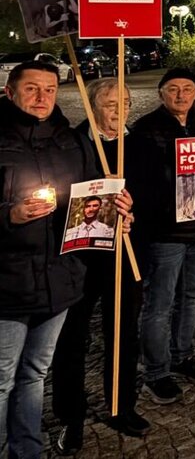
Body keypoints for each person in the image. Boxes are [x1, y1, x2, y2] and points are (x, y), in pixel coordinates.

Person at [0, 60, 131, 458]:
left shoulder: (69, 140)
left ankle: (28, 450)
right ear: (10, 92)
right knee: (2, 379)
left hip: (60, 279)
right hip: (8, 281)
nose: (42, 98)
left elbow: (93, 194)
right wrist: (9, 214)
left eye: (50, 89)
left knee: (36, 373)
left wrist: (117, 211)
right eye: (32, 89)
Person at [53, 78, 146, 453]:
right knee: (73, 337)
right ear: (92, 107)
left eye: (124, 101)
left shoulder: (135, 143)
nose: (119, 109)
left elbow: (153, 192)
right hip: (80, 256)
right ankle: (70, 417)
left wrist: (134, 214)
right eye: (110, 103)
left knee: (123, 331)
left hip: (124, 251)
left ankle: (121, 405)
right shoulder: (72, 144)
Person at [130, 68, 195, 405]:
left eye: (187, 89)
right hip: (165, 231)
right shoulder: (146, 129)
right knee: (159, 303)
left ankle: (183, 356)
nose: (181, 95)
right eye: (173, 89)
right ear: (161, 93)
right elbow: (140, 183)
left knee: (192, 296)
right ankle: (156, 371)